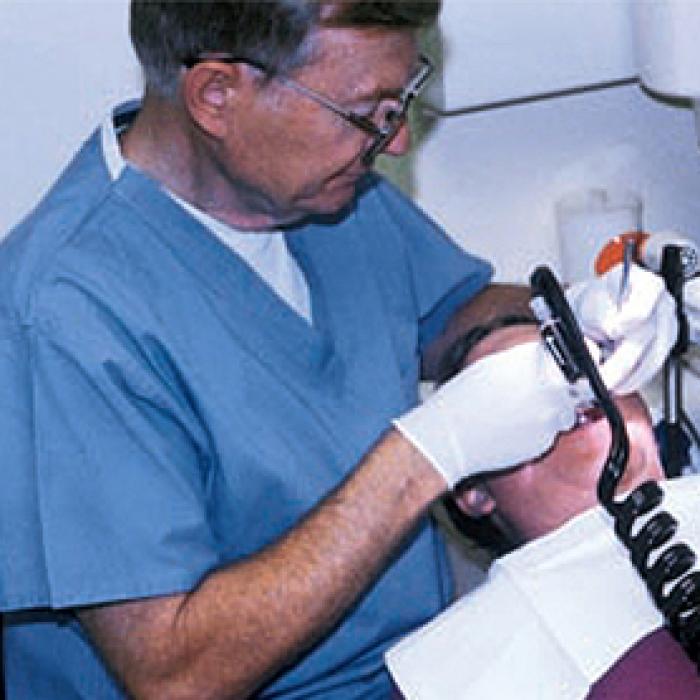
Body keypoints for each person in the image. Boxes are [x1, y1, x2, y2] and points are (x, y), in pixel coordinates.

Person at [0, 2, 677, 698]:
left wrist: (578, 316)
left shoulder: (311, 193)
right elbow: (174, 675)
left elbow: (447, 314)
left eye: (403, 98)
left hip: (433, 665)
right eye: (367, 113)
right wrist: (428, 455)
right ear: (216, 95)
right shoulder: (65, 310)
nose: (395, 143)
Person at [386, 321, 700, 699]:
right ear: (472, 492)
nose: (567, 393)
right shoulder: (451, 675)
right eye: (513, 394)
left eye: (582, 361)